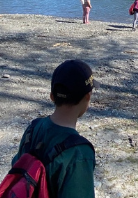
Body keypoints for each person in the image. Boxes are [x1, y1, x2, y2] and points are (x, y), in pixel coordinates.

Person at [9, 60, 98, 198]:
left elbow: (17, 168)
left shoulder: (33, 128)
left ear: (52, 97)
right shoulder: (79, 153)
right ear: (87, 97)